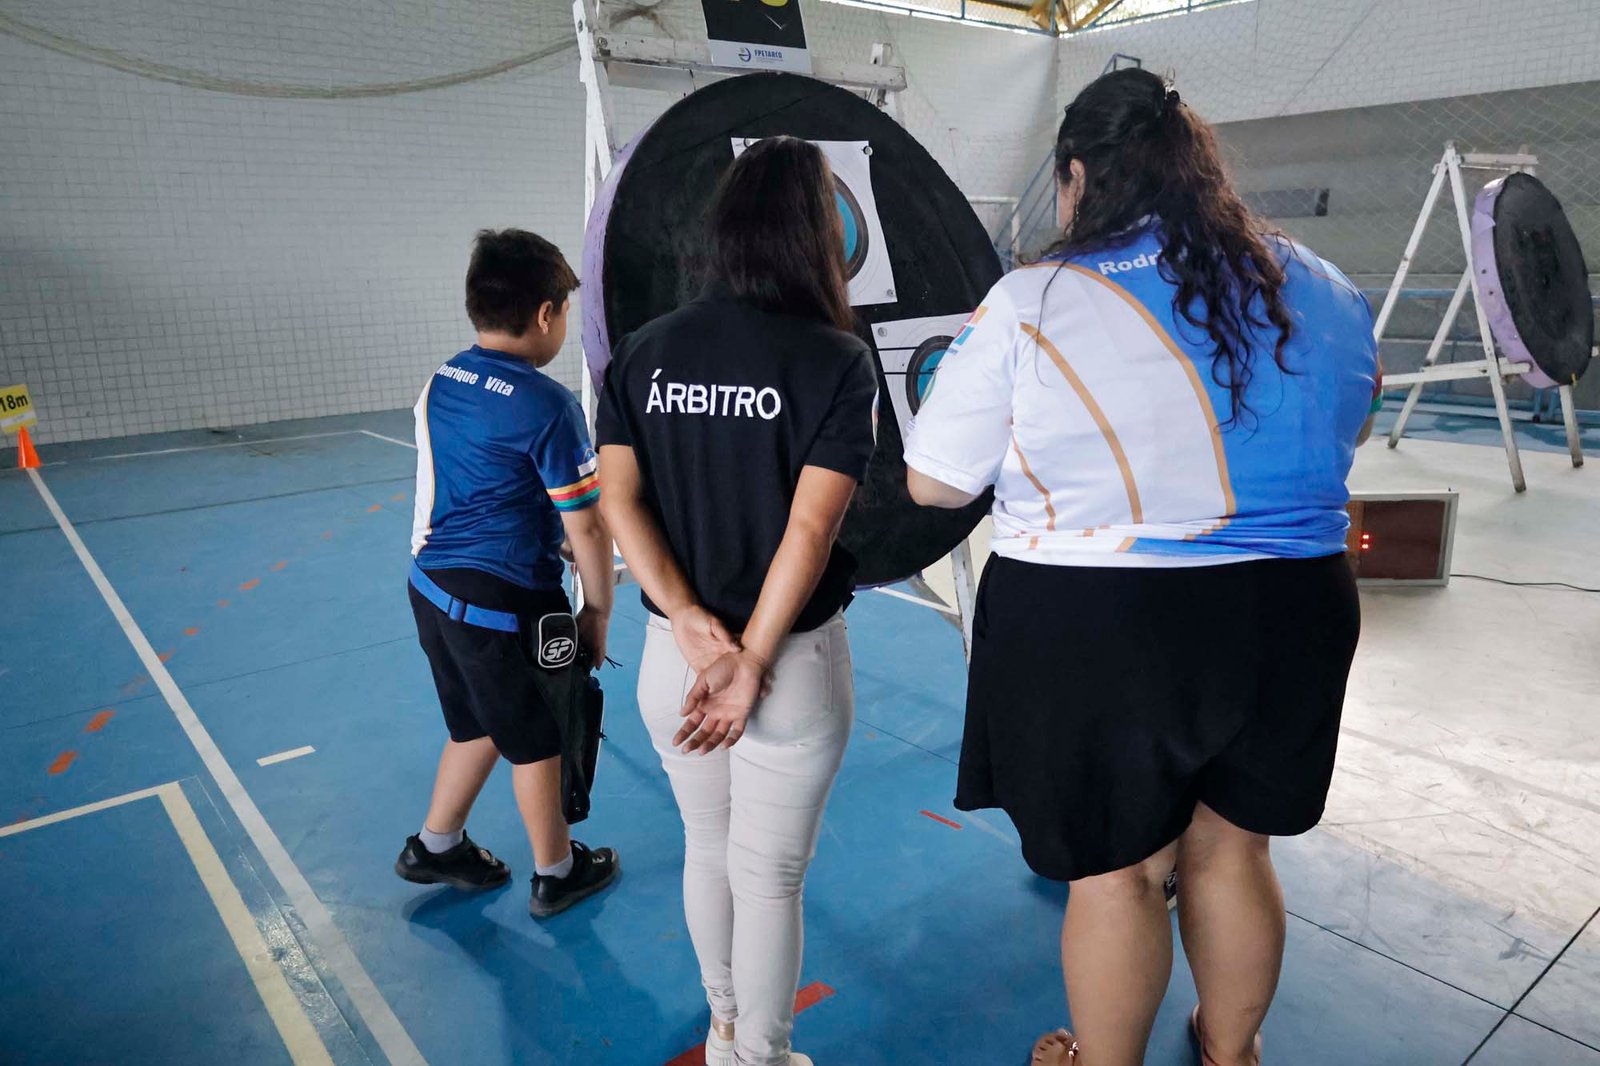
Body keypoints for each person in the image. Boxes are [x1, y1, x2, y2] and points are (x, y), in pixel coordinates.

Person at [904, 69, 1382, 1066]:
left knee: (1117, 870)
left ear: (1078, 176)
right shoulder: (1322, 282)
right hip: (1296, 603)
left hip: (1102, 618)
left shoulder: (1037, 296)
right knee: (1232, 847)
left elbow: (935, 486)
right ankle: (1229, 1048)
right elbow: (1355, 422)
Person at [596, 137, 877, 1066]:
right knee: (768, 880)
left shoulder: (643, 351)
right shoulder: (836, 361)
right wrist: (751, 657)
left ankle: (724, 1030)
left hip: (675, 663)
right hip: (784, 669)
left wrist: (683, 616)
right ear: (818, 236)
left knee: (707, 849)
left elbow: (617, 501)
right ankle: (760, 1055)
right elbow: (810, 532)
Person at [396, 228, 620, 919]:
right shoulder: (546, 404)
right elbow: (588, 526)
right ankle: (557, 872)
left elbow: (481, 482)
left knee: (478, 724)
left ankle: (436, 845)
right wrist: (597, 611)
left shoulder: (443, 379)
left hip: (433, 588)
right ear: (546, 314)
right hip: (505, 605)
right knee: (539, 740)